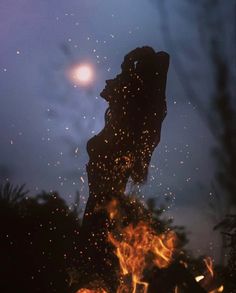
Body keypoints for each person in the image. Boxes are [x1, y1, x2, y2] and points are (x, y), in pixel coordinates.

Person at [78, 46, 169, 291]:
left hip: (103, 202)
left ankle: (96, 280)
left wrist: (131, 60)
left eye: (119, 80)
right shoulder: (124, 120)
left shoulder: (129, 123)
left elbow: (152, 70)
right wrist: (130, 62)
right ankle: (95, 278)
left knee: (95, 243)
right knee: (94, 240)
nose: (110, 84)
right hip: (100, 202)